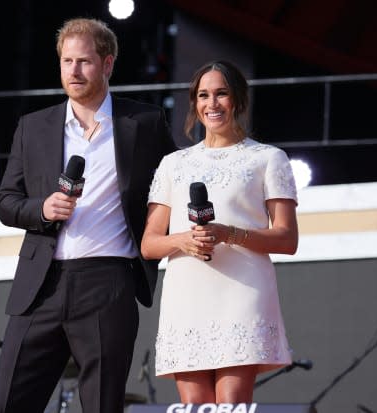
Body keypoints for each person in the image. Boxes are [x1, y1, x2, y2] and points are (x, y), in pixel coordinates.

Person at [0, 17, 176, 413]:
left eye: (85, 61)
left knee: (101, 406)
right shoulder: (33, 126)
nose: (73, 71)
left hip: (108, 282)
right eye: (66, 61)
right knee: (7, 403)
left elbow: (174, 190)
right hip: (41, 284)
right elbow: (6, 200)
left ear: (107, 64)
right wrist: (41, 209)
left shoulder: (144, 123)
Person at [141, 60, 298, 403]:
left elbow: (287, 238)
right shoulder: (173, 164)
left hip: (242, 293)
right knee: (193, 407)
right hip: (187, 295)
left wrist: (229, 233)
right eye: (203, 95)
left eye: (221, 94)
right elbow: (149, 244)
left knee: (232, 405)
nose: (212, 103)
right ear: (195, 104)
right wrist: (183, 239)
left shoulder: (269, 159)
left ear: (238, 100)